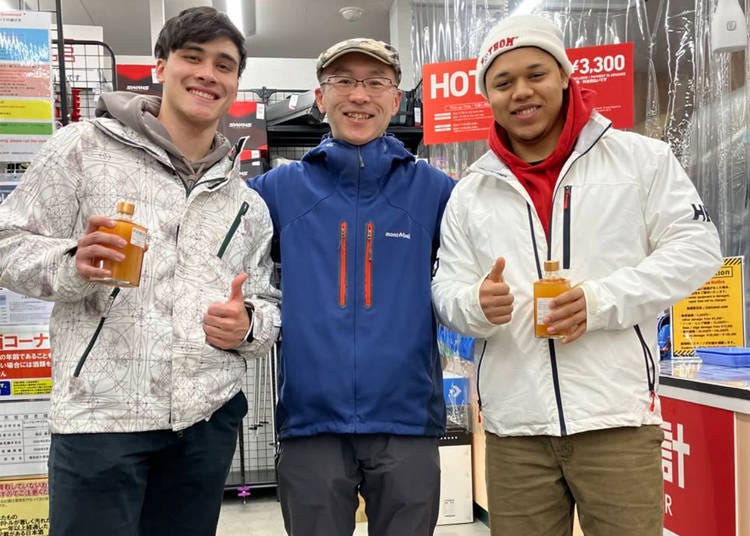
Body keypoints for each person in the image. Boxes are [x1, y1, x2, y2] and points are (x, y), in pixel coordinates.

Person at [431, 14, 722, 536]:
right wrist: (475, 303)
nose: (521, 92)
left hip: (616, 422)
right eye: (503, 81)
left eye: (536, 74)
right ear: (488, 96)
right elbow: (445, 289)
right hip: (515, 430)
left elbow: (697, 248)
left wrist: (601, 300)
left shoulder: (641, 161)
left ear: (565, 75)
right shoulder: (471, 193)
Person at [0, 7, 280, 536]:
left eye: (224, 65)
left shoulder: (246, 202)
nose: (207, 74)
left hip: (204, 422)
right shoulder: (82, 149)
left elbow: (266, 300)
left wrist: (248, 326)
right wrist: (72, 263)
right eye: (192, 57)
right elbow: (7, 243)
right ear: (160, 66)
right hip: (101, 420)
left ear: (236, 82)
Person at [248, 38, 455, 536]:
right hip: (310, 421)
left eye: (375, 82)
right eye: (343, 81)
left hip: (406, 419)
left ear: (395, 98)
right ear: (321, 98)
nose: (359, 95)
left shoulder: (435, 191)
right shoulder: (277, 191)